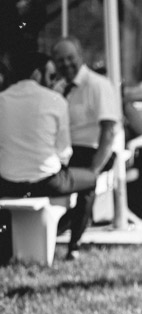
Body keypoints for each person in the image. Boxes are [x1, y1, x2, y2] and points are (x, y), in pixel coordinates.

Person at [52, 37, 121, 261]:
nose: (66, 64)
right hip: (63, 152)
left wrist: (94, 169)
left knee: (86, 187)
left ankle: (74, 245)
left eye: (70, 58)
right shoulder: (58, 89)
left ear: (81, 56)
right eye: (60, 60)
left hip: (94, 150)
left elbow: (108, 130)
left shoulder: (98, 85)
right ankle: (46, 233)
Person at [0, 50, 98, 201]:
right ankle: (75, 225)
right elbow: (64, 153)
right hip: (47, 181)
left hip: (7, 183)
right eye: (51, 76)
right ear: (37, 74)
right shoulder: (56, 100)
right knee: (92, 178)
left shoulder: (2, 100)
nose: (53, 82)